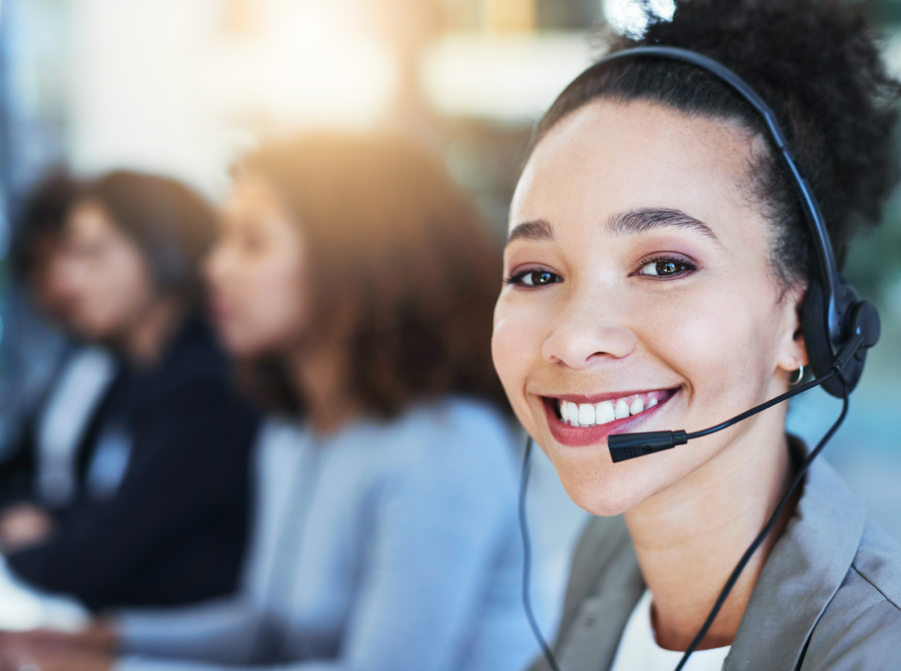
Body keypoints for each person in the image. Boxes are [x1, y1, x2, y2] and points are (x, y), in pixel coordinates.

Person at [491, 1, 901, 670]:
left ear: (806, 326)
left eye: (665, 264)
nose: (572, 339)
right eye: (536, 274)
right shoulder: (609, 559)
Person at [0, 133, 536, 671]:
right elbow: (265, 630)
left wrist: (112, 668)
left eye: (251, 243)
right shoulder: (293, 432)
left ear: (351, 258)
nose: (214, 268)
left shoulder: (443, 448)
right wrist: (100, 640)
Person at [2, 171, 258, 612]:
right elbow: (92, 509)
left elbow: (100, 558)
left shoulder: (201, 385)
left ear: (163, 256)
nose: (66, 276)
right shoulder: (133, 373)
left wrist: (19, 548)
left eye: (92, 253)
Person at [0, 169, 118, 547]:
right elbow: (26, 464)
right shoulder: (76, 355)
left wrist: (49, 526)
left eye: (85, 255)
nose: (59, 281)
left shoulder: (152, 369)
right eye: (39, 267)